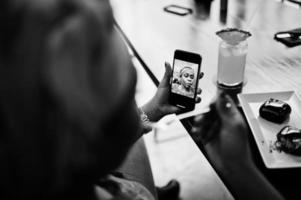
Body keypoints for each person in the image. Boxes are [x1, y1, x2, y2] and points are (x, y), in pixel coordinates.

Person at [0, 0, 284, 200]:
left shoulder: (43, 163)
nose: (133, 70)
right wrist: (240, 169)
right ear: (92, 146)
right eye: (127, 98)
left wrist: (151, 111)